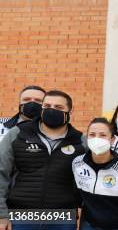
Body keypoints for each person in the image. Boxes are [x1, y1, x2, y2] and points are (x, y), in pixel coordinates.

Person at [0, 90, 86, 230]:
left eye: (58, 108)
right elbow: (1, 173)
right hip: (21, 216)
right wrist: (2, 215)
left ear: (70, 112)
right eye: (47, 106)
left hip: (62, 217)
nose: (51, 110)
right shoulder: (18, 134)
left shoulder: (81, 142)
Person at [72, 117, 118, 230]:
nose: (97, 138)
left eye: (103, 135)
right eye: (92, 134)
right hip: (88, 225)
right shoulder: (77, 163)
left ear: (112, 139)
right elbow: (77, 199)